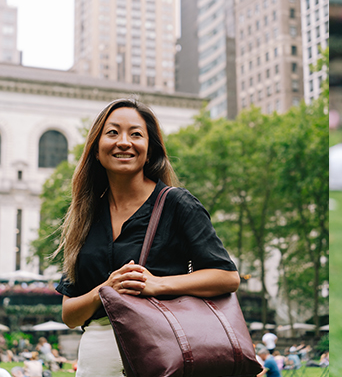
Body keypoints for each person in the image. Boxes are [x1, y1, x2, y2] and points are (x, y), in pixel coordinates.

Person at [54, 98, 241, 377]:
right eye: (113, 132)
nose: (124, 142)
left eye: (136, 134)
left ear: (149, 149)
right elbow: (70, 315)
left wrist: (156, 285)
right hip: (94, 366)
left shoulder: (176, 204)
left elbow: (226, 277)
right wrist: (107, 289)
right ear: (95, 149)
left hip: (160, 356)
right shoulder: (85, 216)